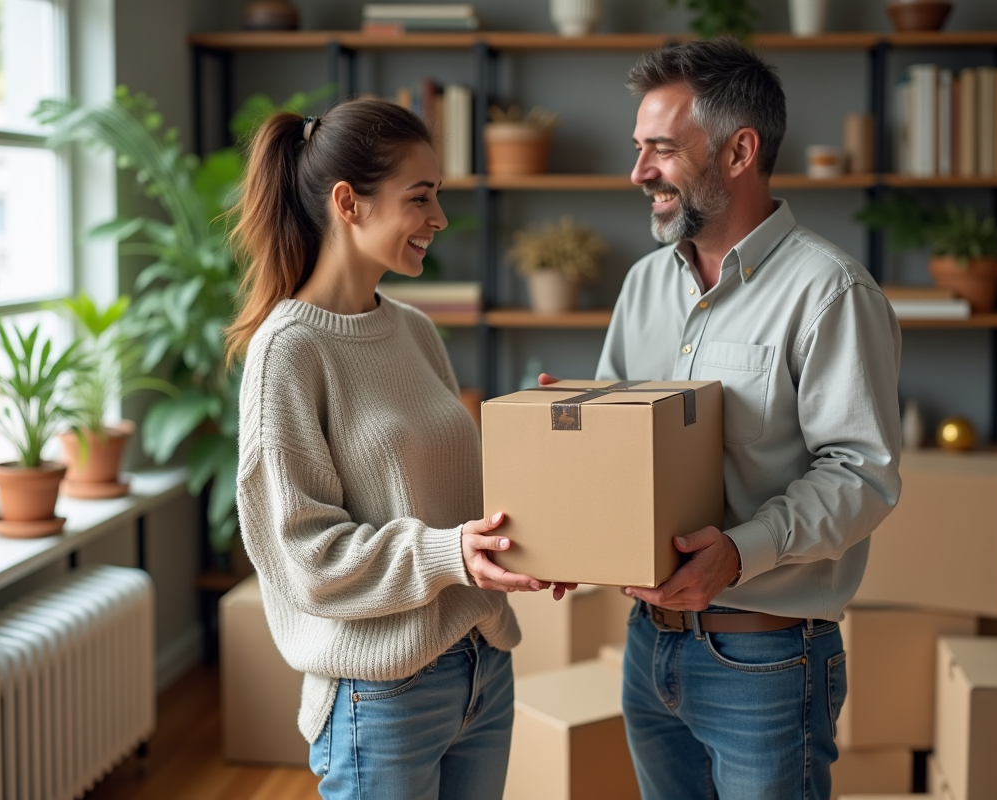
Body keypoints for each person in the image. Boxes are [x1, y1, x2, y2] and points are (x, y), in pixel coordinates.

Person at [546, 38, 903, 799]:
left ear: (740, 151)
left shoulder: (831, 292)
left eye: (662, 150)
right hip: (648, 654)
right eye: (639, 148)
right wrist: (571, 474)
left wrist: (736, 555)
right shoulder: (645, 285)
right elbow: (622, 446)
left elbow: (862, 475)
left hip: (766, 665)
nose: (639, 172)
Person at [227, 98, 549, 800]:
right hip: (382, 691)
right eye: (421, 196)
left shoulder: (413, 329)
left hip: (481, 667)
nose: (437, 218)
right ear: (349, 202)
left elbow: (454, 500)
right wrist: (447, 553)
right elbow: (307, 558)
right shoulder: (288, 350)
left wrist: (540, 522)